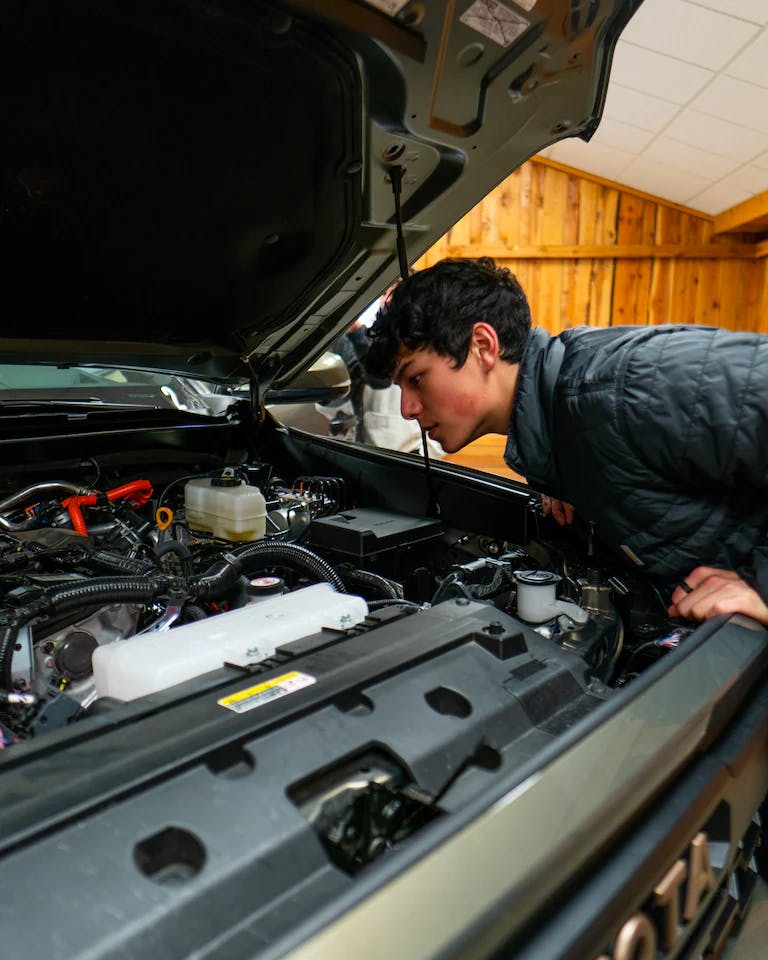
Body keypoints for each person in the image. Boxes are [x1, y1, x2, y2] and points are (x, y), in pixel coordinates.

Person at [365, 256, 768, 626]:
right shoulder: (556, 424)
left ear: (483, 347)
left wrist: (760, 585)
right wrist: (559, 474)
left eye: (416, 378)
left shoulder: (626, 383)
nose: (407, 409)